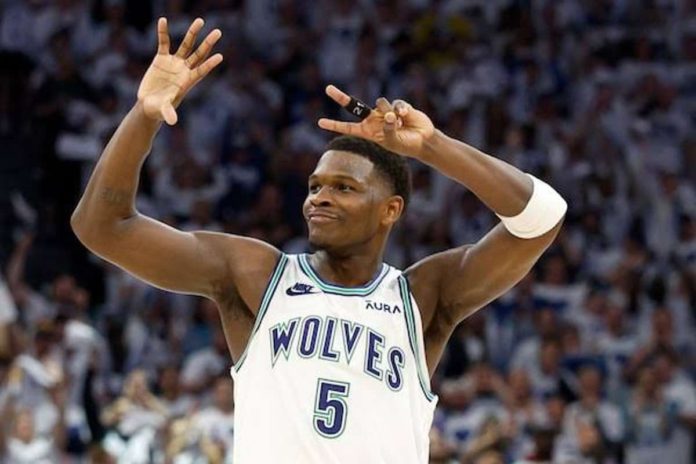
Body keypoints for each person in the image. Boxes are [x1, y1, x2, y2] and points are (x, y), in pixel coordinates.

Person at [70, 17, 567, 463]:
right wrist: (144, 115)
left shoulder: (422, 296)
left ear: (390, 210)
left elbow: (543, 217)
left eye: (344, 188)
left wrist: (433, 147)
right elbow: (102, 228)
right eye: (314, 187)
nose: (319, 199)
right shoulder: (256, 274)